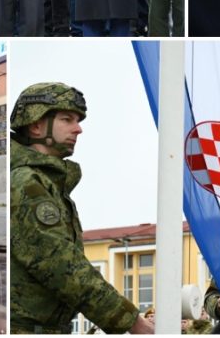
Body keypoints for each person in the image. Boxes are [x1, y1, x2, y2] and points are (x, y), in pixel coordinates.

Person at [10, 82, 154, 334]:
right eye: (67, 119)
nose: (78, 129)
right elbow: (61, 265)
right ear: (35, 125)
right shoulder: (27, 184)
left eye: (77, 120)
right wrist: (131, 321)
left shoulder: (46, 182)